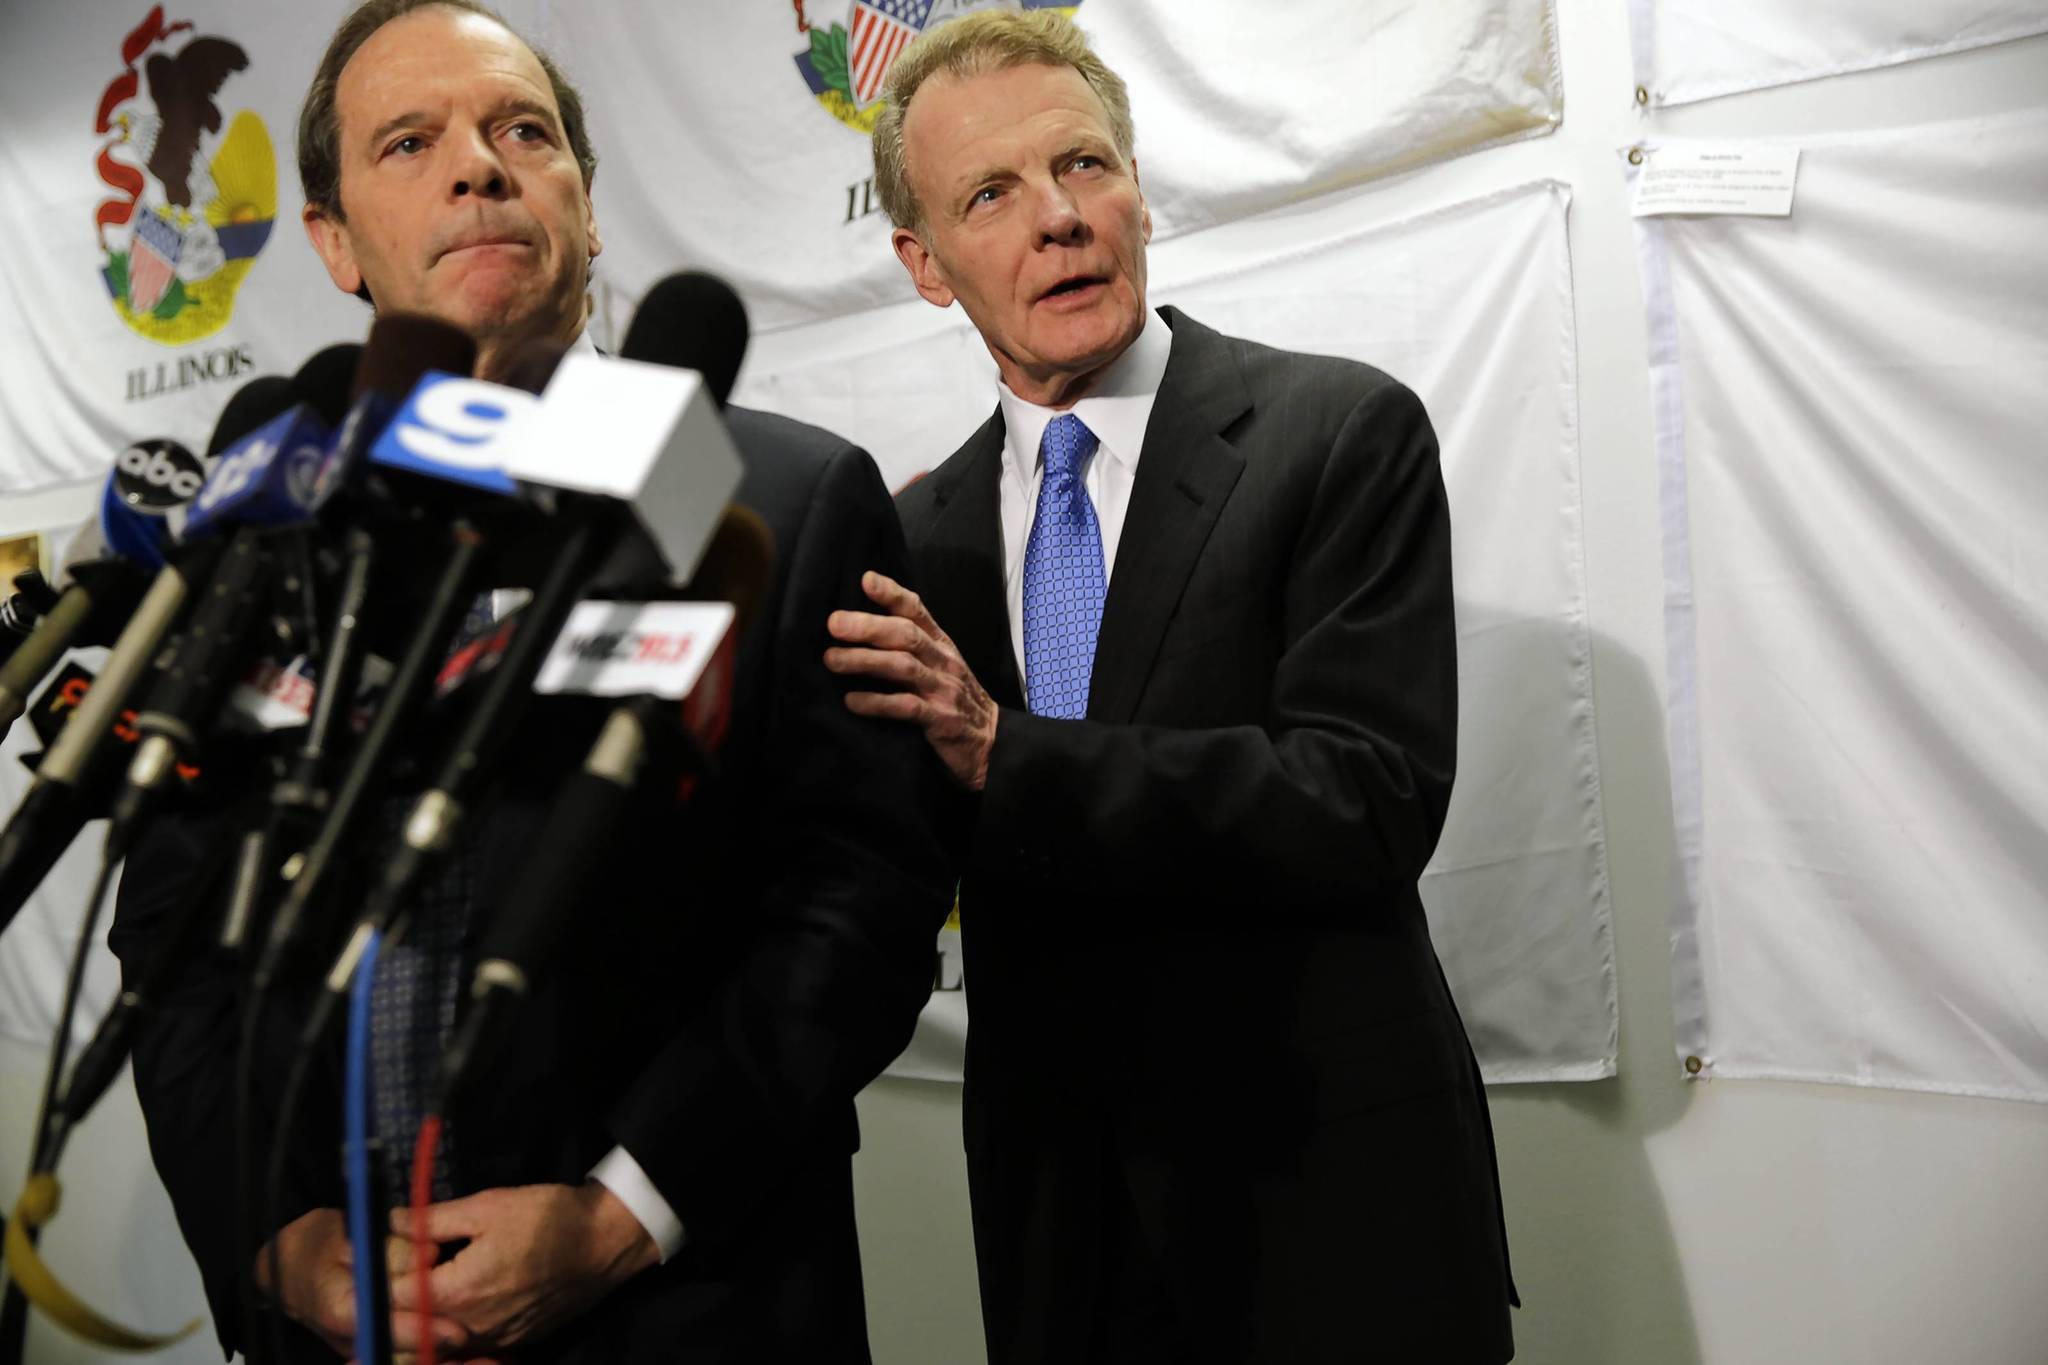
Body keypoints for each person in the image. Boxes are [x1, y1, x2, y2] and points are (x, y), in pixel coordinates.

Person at [109, 2, 954, 1360]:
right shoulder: (265, 524)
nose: (479, 166)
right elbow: (172, 940)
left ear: (588, 204)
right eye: (408, 142)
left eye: (523, 131)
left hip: (681, 1310)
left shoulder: (777, 499)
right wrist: (273, 1234)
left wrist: (622, 1212)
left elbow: (858, 907)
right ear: (332, 240)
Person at [824, 11, 1517, 1363]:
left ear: (1138, 187)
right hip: (1062, 1238)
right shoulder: (916, 545)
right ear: (924, 262)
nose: (1060, 219)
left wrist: (1000, 749)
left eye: (1084, 167)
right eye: (992, 195)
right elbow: (884, 876)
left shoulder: (1336, 434)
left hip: (1332, 1219)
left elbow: (1363, 798)